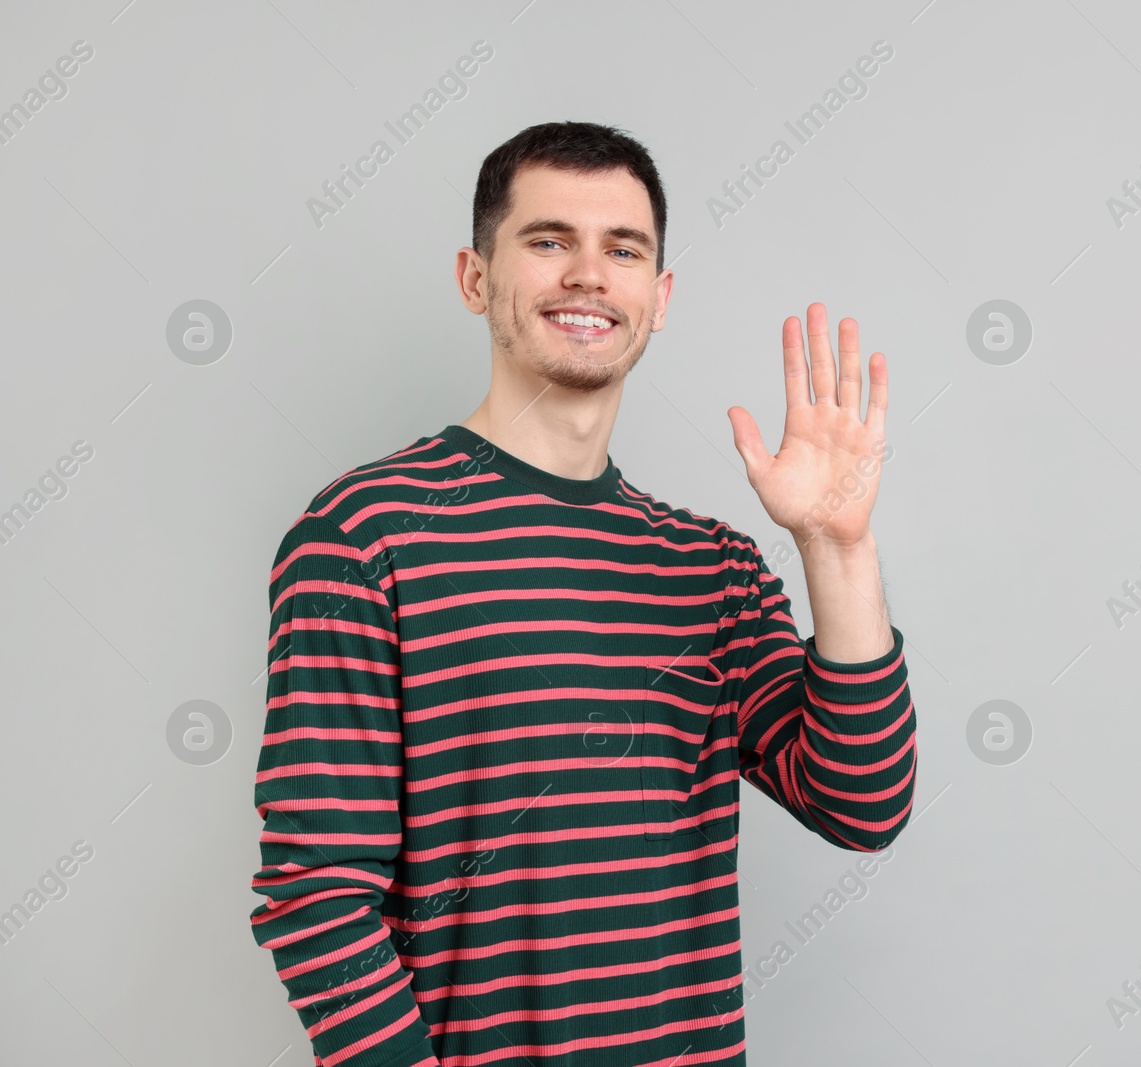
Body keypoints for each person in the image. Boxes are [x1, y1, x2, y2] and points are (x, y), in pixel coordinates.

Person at [247, 121, 917, 1067]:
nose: (589, 276)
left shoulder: (713, 568)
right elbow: (317, 893)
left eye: (624, 249)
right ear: (476, 278)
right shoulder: (365, 535)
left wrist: (836, 545)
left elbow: (863, 801)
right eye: (549, 240)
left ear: (659, 295)